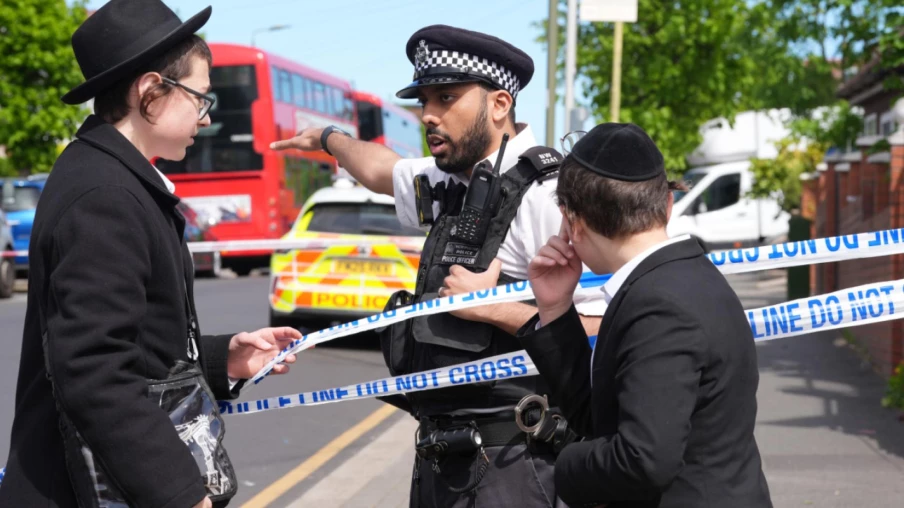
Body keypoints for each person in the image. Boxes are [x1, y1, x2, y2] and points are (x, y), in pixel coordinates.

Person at [272, 24, 605, 508]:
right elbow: (380, 170)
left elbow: (608, 326)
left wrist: (495, 309)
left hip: (517, 463)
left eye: (446, 97)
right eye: (423, 100)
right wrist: (330, 138)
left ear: (499, 105)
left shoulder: (548, 196)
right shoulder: (452, 178)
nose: (428, 115)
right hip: (444, 460)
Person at [0, 2, 301, 508]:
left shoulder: (112, 179)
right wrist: (182, 494)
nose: (206, 119)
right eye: (201, 99)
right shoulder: (105, 197)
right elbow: (96, 372)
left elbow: (132, 344)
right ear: (150, 90)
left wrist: (221, 358)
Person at [516, 123, 774, 507]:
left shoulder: (658, 304)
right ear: (667, 205)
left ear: (573, 222)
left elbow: (643, 459)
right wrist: (555, 309)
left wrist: (564, 462)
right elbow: (604, 417)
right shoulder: (687, 276)